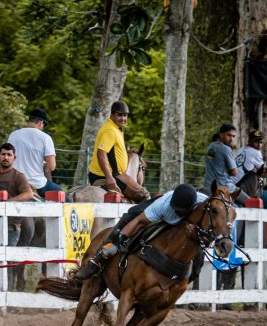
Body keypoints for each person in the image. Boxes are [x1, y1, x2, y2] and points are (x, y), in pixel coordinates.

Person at [75, 184, 208, 280]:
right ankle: (97, 260)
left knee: (197, 265)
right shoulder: (162, 206)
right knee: (128, 219)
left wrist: (198, 235)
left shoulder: (205, 205)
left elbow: (214, 231)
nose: (177, 213)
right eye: (176, 209)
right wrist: (118, 240)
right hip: (158, 207)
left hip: (191, 227)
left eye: (181, 211)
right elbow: (138, 222)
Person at [0, 143, 35, 289]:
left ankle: (7, 295)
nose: (6, 157)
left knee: (8, 262)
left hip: (12, 225)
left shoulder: (18, 176)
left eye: (9, 155)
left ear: (14, 157)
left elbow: (28, 194)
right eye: (3, 154)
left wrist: (8, 203)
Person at [234, 130, 267, 249]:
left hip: (237, 187)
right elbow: (264, 172)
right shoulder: (255, 153)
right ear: (250, 141)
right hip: (251, 190)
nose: (259, 145)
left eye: (261, 142)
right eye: (256, 141)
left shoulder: (241, 150)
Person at [7, 108, 62, 196]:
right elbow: (51, 167)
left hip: (14, 182)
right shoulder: (45, 138)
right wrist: (45, 166)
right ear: (41, 123)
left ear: (29, 121)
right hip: (36, 184)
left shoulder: (13, 135)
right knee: (63, 197)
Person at [88, 101, 133, 195]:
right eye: (120, 115)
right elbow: (101, 153)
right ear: (112, 114)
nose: (123, 118)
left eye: (125, 115)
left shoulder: (116, 128)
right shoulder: (110, 130)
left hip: (117, 174)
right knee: (142, 194)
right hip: (104, 176)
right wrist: (109, 177)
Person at [203, 123, 249, 206]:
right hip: (225, 186)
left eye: (233, 136)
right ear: (221, 135)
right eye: (229, 135)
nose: (231, 139)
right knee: (251, 203)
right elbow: (234, 172)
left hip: (208, 186)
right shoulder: (226, 149)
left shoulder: (211, 146)